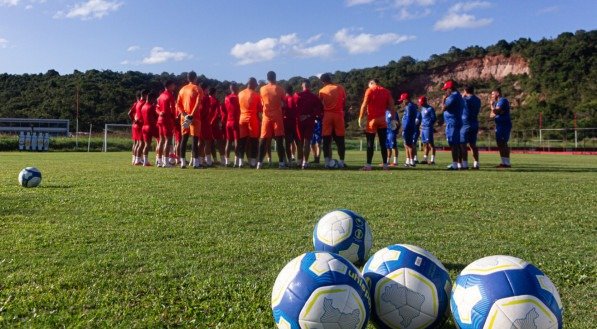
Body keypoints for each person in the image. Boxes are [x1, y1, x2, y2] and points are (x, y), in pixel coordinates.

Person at [358, 79, 394, 170]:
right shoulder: (386, 91)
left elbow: (364, 104)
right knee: (383, 143)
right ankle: (385, 165)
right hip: (382, 120)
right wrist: (393, 119)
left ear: (371, 83)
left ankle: (368, 165)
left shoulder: (370, 90)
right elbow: (391, 106)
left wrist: (360, 117)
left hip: (372, 121)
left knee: (370, 143)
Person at [318, 73, 347, 168]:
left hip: (327, 115)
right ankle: (341, 162)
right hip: (338, 115)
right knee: (340, 140)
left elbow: (320, 105)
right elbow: (344, 101)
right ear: (330, 79)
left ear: (323, 81)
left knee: (326, 140)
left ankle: (327, 162)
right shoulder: (340, 88)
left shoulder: (322, 90)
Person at [176, 71, 203, 169]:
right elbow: (198, 103)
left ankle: (183, 162)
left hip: (184, 117)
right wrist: (191, 115)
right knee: (195, 140)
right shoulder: (198, 88)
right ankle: (196, 163)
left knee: (184, 139)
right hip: (195, 117)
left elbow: (178, 104)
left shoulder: (182, 89)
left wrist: (184, 114)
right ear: (195, 78)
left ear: (188, 78)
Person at [294, 79, 323, 169]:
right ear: (309, 86)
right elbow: (319, 110)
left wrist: (299, 116)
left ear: (302, 86)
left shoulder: (297, 95)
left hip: (299, 120)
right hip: (309, 120)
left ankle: (299, 161)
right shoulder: (314, 97)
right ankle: (305, 162)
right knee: (307, 142)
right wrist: (309, 115)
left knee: (299, 142)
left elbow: (292, 107)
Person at [237, 77, 262, 168]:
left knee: (242, 141)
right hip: (252, 119)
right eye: (255, 84)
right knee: (254, 141)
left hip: (242, 118)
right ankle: (253, 162)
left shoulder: (240, 94)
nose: (256, 86)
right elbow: (260, 109)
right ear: (251, 83)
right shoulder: (256, 95)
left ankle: (240, 162)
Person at [441, 80, 464, 170]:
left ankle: (455, 164)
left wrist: (443, 99)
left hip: (452, 123)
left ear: (450, 88)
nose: (445, 91)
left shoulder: (453, 97)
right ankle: (459, 163)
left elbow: (443, 108)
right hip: (454, 122)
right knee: (456, 144)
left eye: (446, 89)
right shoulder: (458, 96)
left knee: (453, 144)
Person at [156, 80, 177, 167]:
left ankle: (159, 161)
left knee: (161, 140)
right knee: (168, 140)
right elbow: (173, 109)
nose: (174, 87)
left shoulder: (160, 96)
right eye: (173, 85)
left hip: (160, 120)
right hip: (167, 120)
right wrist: (174, 118)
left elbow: (156, 108)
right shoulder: (170, 95)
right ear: (169, 86)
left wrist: (160, 113)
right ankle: (166, 162)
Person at [490, 87, 512, 168]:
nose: (491, 95)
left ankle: (507, 163)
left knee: (503, 143)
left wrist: (492, 107)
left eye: (493, 94)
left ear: (497, 93)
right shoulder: (497, 103)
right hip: (499, 125)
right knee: (499, 143)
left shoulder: (503, 100)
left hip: (504, 124)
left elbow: (495, 112)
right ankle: (503, 162)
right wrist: (495, 111)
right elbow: (491, 115)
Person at [461, 85, 481, 169]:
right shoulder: (478, 100)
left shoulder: (465, 100)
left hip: (465, 123)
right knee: (473, 145)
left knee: (463, 144)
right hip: (474, 123)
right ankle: (476, 163)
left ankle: (465, 164)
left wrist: (463, 96)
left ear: (465, 91)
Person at [398, 92, 417, 167]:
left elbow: (408, 118)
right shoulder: (410, 106)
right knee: (407, 144)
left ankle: (411, 161)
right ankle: (408, 160)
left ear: (406, 99)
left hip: (408, 128)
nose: (402, 102)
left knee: (408, 144)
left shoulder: (409, 106)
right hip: (409, 127)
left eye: (403, 100)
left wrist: (405, 128)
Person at [224, 83, 241, 167]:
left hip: (228, 121)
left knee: (228, 142)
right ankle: (236, 161)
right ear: (236, 88)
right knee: (236, 141)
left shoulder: (226, 98)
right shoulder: (237, 98)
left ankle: (227, 161)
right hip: (235, 121)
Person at [208, 87, 226, 166]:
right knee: (219, 142)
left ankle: (213, 159)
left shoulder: (206, 100)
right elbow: (218, 113)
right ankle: (223, 160)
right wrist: (213, 121)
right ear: (214, 93)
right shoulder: (215, 101)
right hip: (214, 124)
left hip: (207, 124)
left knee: (209, 143)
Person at [197, 83, 213, 167]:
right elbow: (205, 110)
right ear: (205, 89)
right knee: (207, 141)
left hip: (199, 121)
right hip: (205, 121)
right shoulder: (206, 98)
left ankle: (200, 160)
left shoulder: (198, 97)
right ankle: (208, 161)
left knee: (201, 142)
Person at [141, 92, 158, 166]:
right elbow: (156, 116)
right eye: (154, 99)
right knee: (161, 141)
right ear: (152, 98)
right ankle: (159, 159)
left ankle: (145, 161)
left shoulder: (143, 106)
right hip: (152, 126)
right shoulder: (151, 107)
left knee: (146, 144)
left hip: (144, 126)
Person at [419, 96, 437, 165]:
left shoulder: (430, 109)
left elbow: (434, 118)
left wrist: (429, 125)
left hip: (428, 128)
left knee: (430, 143)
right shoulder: (422, 109)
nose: (421, 104)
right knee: (424, 144)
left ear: (425, 101)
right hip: (423, 128)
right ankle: (425, 159)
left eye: (422, 103)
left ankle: (432, 160)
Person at [133, 89, 149, 165]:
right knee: (141, 143)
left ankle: (136, 159)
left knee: (138, 143)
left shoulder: (138, 103)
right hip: (141, 124)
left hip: (137, 124)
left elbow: (135, 114)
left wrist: (135, 119)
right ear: (145, 95)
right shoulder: (143, 103)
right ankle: (138, 160)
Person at [283, 85, 297, 165]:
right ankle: (296, 160)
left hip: (285, 122)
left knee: (286, 143)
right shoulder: (293, 99)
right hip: (293, 122)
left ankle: (287, 160)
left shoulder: (283, 99)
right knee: (296, 142)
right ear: (292, 91)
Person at [128, 91, 142, 165]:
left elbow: (130, 113)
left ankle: (134, 159)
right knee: (139, 143)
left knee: (135, 143)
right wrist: (134, 120)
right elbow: (129, 113)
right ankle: (137, 159)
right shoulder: (138, 104)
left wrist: (133, 120)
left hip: (134, 125)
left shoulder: (135, 104)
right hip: (138, 124)